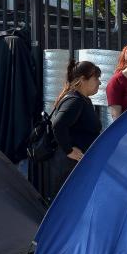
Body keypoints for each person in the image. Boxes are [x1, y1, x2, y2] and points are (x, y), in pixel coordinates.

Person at [49, 60, 102, 195]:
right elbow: (58, 124)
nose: (99, 83)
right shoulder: (75, 100)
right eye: (96, 78)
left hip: (75, 167)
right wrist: (69, 150)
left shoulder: (83, 99)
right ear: (83, 80)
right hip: (69, 167)